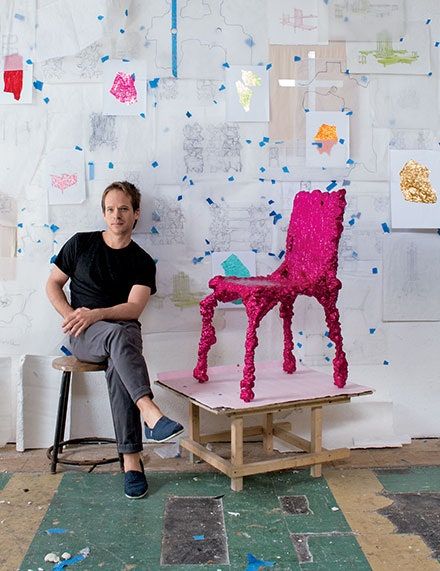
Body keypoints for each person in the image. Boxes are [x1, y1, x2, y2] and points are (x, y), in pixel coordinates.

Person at [46, 180, 183, 499]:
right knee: (120, 337)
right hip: (85, 336)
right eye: (110, 209)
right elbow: (53, 284)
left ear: (136, 214)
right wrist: (71, 315)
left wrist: (97, 313)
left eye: (123, 209)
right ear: (104, 213)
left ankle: (133, 464)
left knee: (120, 350)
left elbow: (134, 307)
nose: (116, 215)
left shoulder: (142, 261)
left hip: (121, 333)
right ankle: (147, 419)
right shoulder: (80, 244)